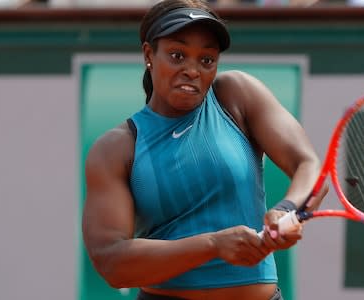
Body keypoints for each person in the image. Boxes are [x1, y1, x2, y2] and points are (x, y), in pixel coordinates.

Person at [82, 0, 328, 299]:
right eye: (177, 55)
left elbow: (309, 166)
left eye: (206, 60)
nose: (192, 70)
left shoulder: (237, 95)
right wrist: (212, 245)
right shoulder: (116, 147)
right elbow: (112, 261)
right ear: (149, 54)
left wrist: (286, 211)